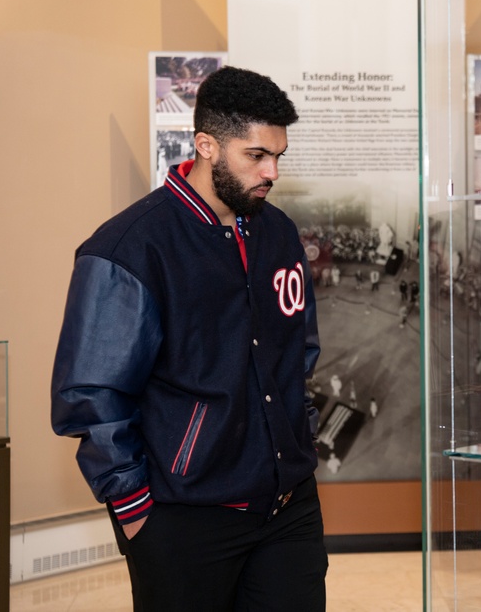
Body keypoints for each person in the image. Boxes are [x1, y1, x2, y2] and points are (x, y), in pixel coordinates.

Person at [51, 66, 327, 611]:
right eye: (256, 156)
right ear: (205, 145)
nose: (272, 171)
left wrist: (300, 441)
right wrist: (134, 513)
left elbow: (300, 354)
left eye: (279, 156)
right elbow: (93, 396)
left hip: (288, 507)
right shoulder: (128, 248)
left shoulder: (280, 234)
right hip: (184, 519)